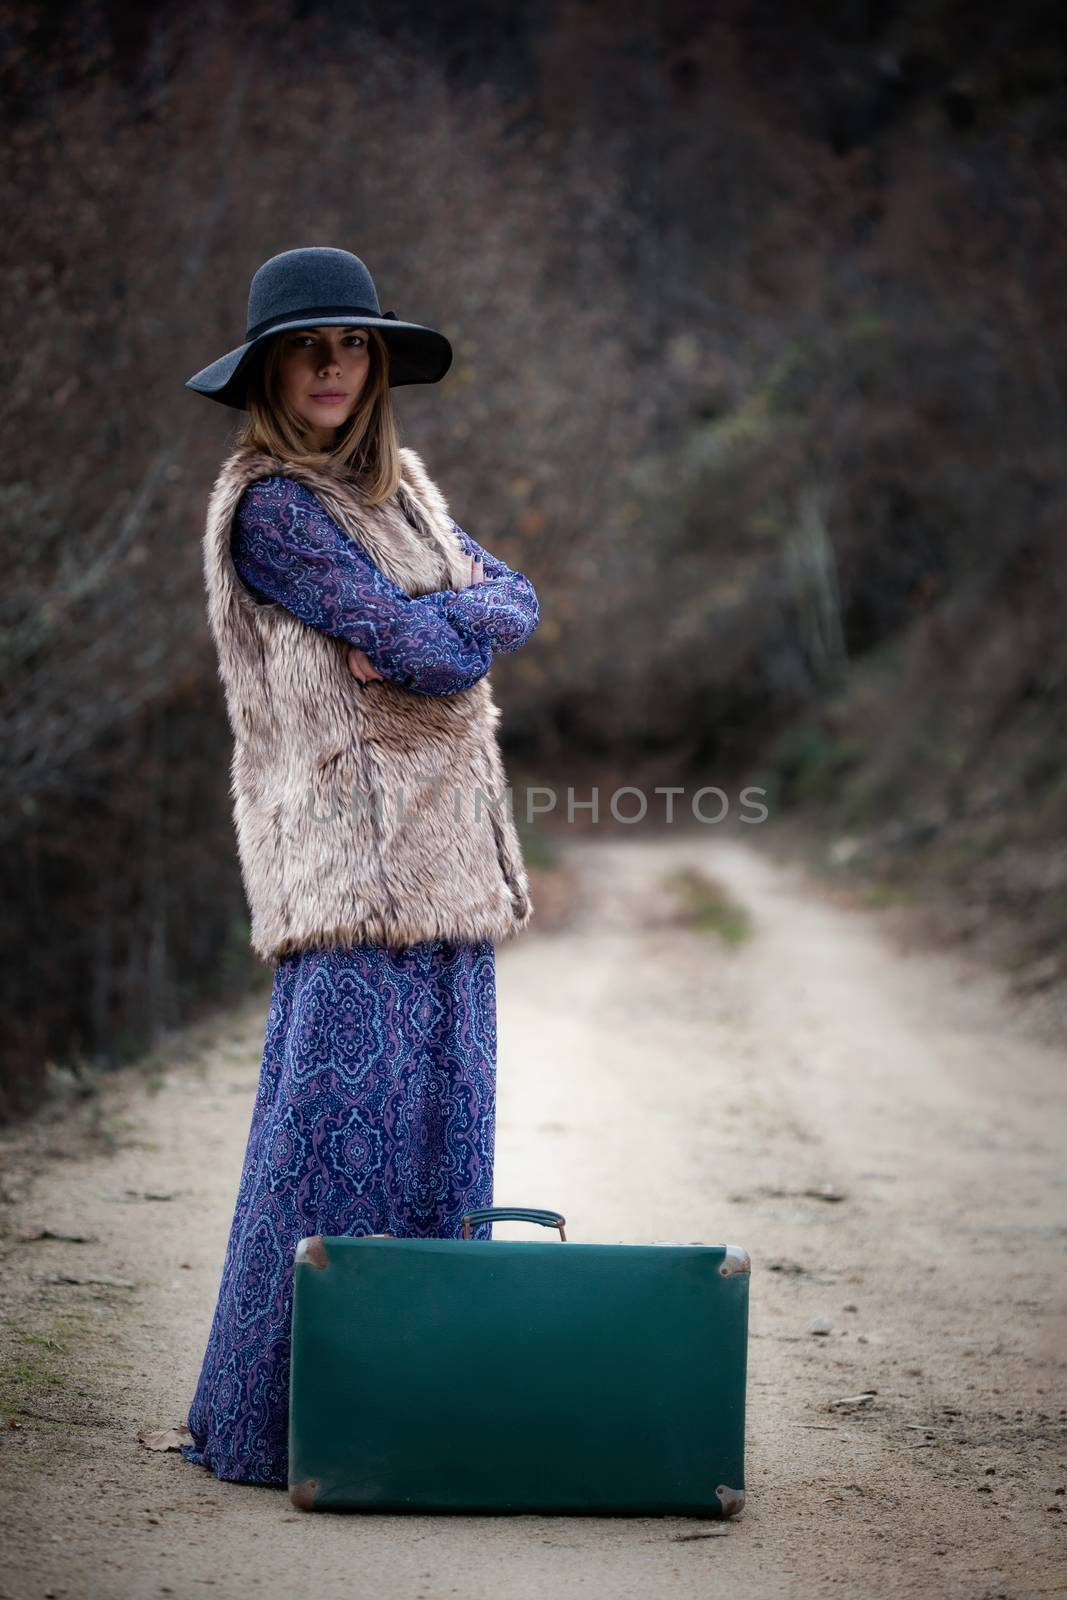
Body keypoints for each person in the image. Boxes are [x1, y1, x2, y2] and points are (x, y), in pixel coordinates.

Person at [178, 247, 539, 1485]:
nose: (332, 367)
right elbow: (417, 643)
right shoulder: (274, 505)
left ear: (374, 364)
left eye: (351, 346)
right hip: (349, 883)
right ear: (270, 368)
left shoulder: (409, 498)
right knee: (326, 1166)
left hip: (445, 872)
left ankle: (406, 1420)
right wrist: (440, 632)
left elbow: (516, 599)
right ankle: (264, 1431)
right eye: (307, 347)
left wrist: (443, 629)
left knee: (442, 1160)